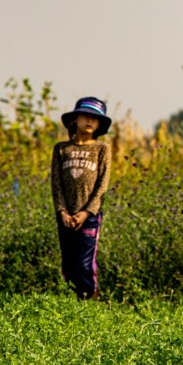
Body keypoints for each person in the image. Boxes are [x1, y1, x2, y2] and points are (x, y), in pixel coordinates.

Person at [51, 97, 112, 299]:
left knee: (85, 263)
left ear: (99, 125)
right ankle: (70, 302)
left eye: (94, 119)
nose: (89, 121)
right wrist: (62, 212)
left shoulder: (102, 150)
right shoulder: (61, 149)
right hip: (65, 216)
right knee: (68, 263)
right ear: (74, 120)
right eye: (85, 116)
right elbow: (57, 184)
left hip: (90, 216)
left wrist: (85, 213)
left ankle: (90, 301)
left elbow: (102, 185)